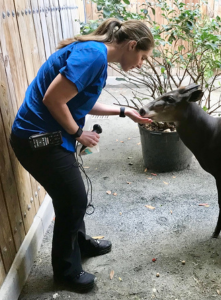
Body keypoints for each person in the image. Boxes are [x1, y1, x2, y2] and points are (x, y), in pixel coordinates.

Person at [10, 18, 154, 292]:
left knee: (72, 195)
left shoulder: (96, 55)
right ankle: (66, 272)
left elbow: (81, 100)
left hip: (48, 134)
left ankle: (79, 243)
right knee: (73, 199)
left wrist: (125, 111)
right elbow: (53, 99)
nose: (141, 63)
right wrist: (79, 133)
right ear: (132, 45)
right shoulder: (93, 56)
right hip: (36, 139)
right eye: (142, 57)